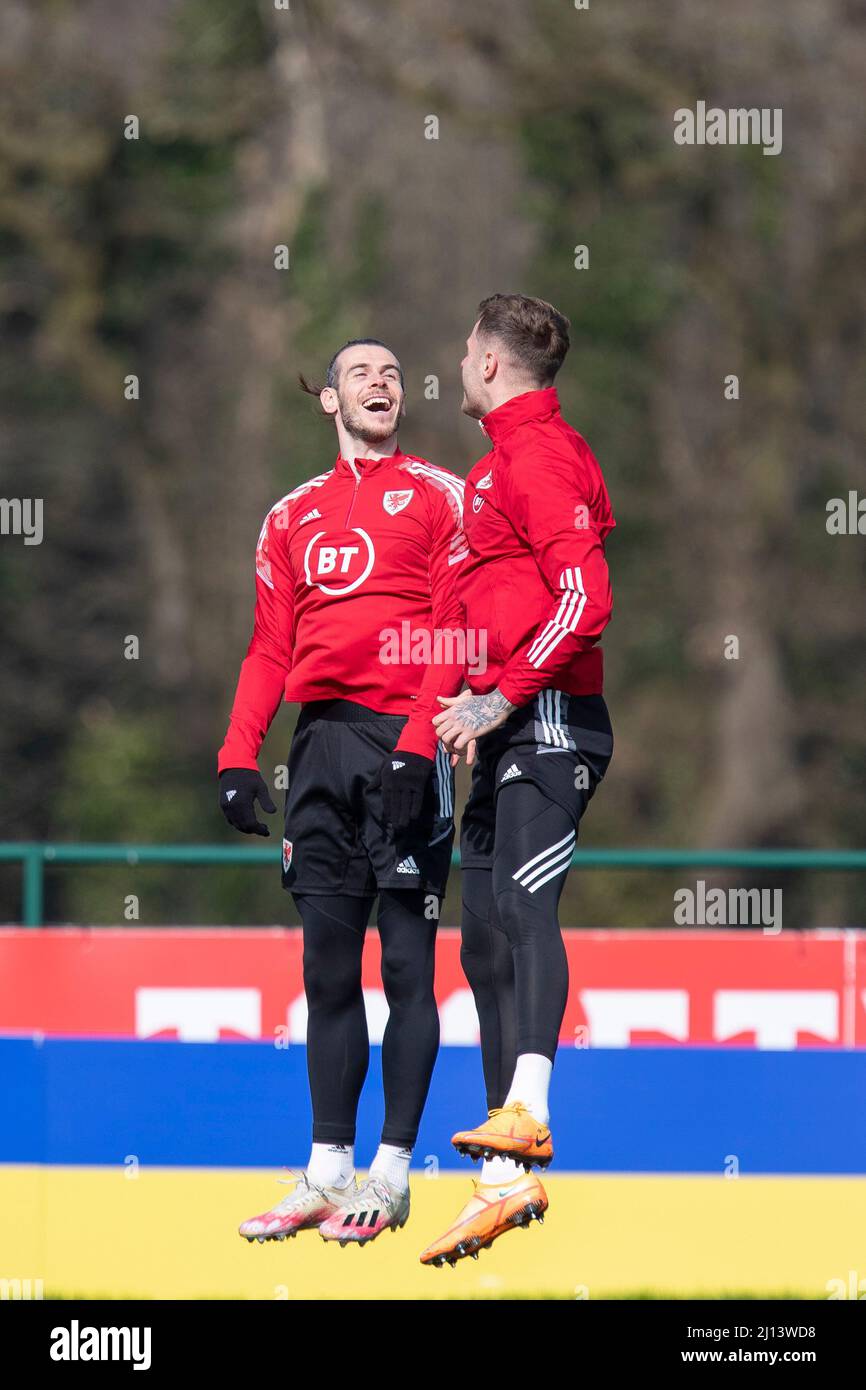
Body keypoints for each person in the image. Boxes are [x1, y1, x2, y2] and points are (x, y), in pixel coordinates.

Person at [218, 339, 466, 1246]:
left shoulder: (441, 495)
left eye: (394, 374)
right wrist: (238, 756)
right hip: (318, 744)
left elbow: (454, 626)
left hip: (405, 740)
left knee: (406, 967)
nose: (381, 383)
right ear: (328, 400)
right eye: (361, 373)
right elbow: (267, 649)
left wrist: (414, 743)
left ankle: (391, 1176)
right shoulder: (290, 516)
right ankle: (326, 1172)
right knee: (327, 972)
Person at [421, 294, 615, 1266]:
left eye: (463, 352)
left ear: (491, 366)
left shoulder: (537, 456)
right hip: (497, 726)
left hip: (545, 719)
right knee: (483, 944)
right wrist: (451, 705)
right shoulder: (493, 469)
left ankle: (528, 1114)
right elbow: (483, 606)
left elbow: (585, 595)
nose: (456, 366)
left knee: (524, 914)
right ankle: (501, 1179)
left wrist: (498, 695)